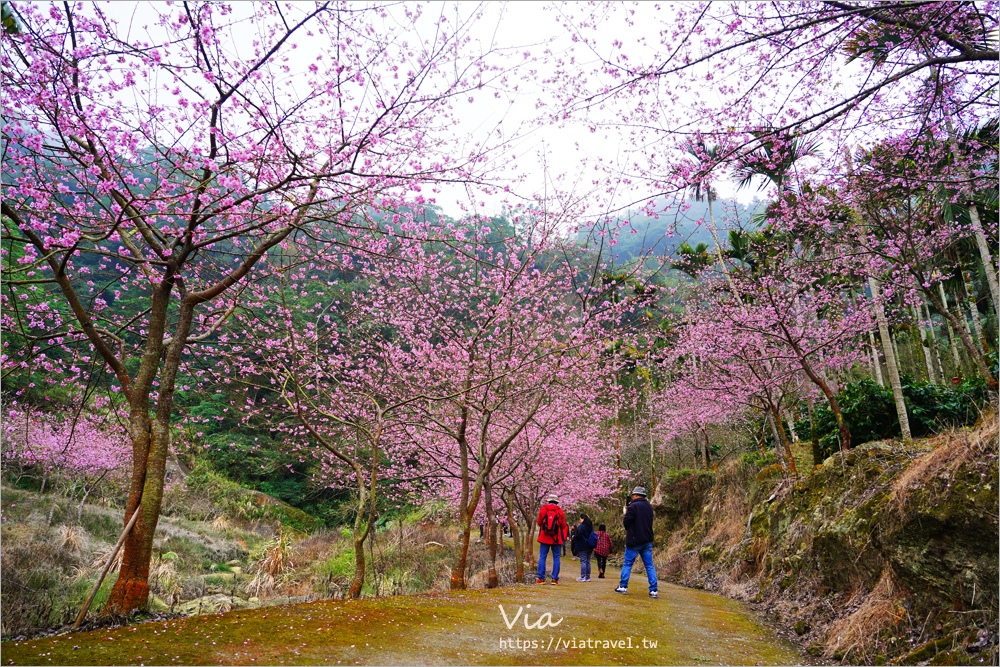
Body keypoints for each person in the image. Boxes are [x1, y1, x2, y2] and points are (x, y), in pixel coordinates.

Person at [615, 486, 658, 598]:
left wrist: (627, 511)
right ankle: (653, 590)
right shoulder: (649, 507)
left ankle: (623, 586)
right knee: (649, 565)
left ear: (635, 495)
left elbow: (626, 522)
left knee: (628, 563)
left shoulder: (633, 506)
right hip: (647, 539)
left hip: (634, 540)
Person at [536, 494, 568, 584]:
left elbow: (538, 523)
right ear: (557, 502)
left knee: (542, 557)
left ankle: (541, 578)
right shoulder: (560, 512)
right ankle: (554, 579)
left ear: (548, 501)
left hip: (544, 537)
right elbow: (563, 525)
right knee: (556, 558)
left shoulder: (543, 510)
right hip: (556, 539)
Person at [572, 514, 595, 581]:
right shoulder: (590, 527)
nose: (579, 521)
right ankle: (588, 577)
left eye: (580, 519)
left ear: (583, 519)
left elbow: (579, 535)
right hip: (590, 545)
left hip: (582, 545)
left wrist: (574, 537)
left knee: (583, 561)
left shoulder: (581, 527)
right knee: (588, 561)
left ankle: (582, 576)